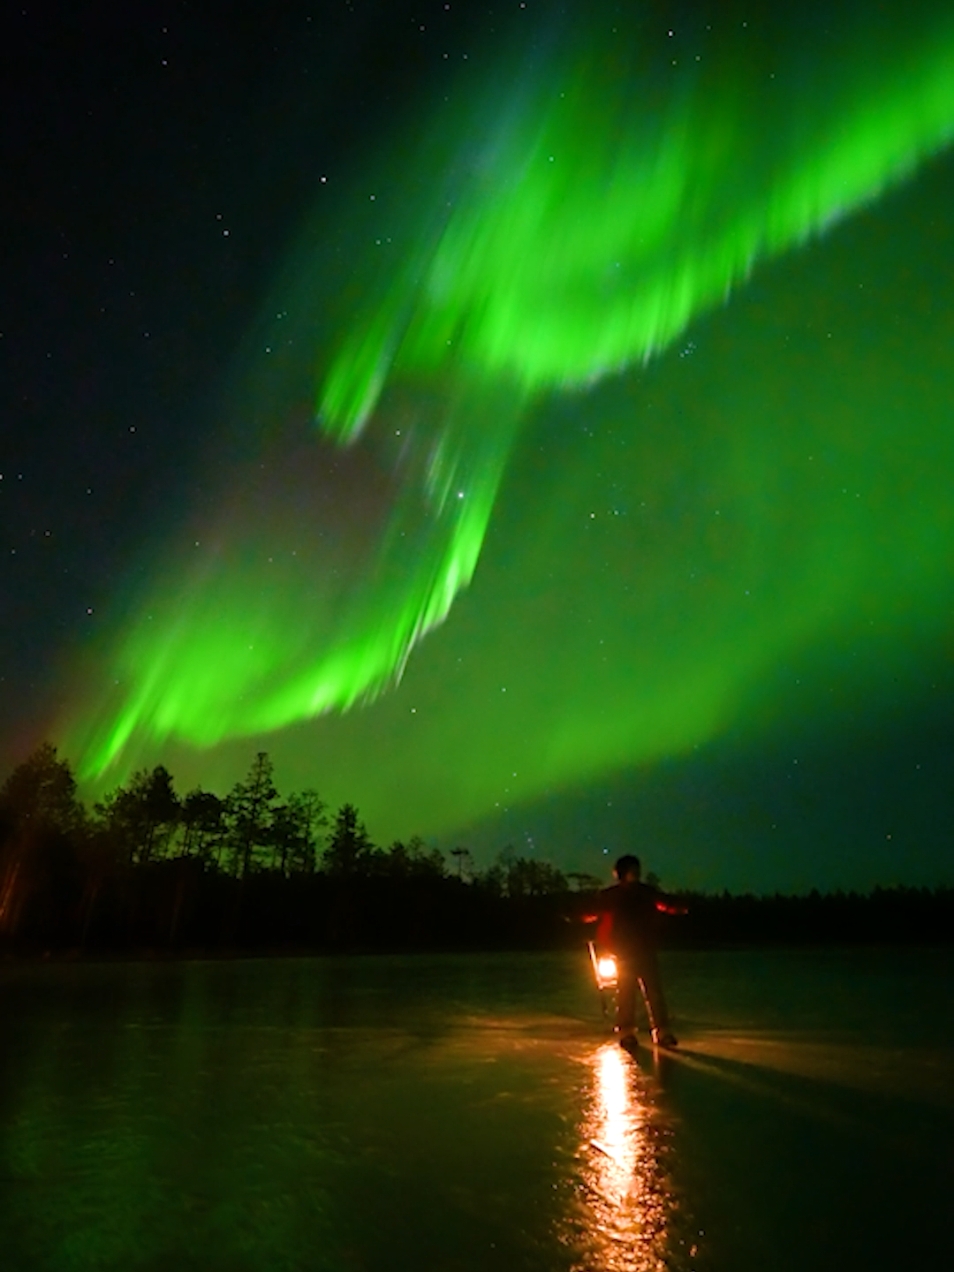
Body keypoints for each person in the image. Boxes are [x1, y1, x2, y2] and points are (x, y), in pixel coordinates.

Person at [588, 854, 685, 1049]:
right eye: (632, 870)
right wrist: (575, 916)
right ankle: (627, 1031)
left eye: (637, 870)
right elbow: (592, 910)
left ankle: (662, 1031)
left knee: (654, 992)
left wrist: (680, 907)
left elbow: (666, 903)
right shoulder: (612, 895)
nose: (636, 873)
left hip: (645, 948)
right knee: (626, 992)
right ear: (623, 873)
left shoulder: (646, 893)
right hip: (624, 951)